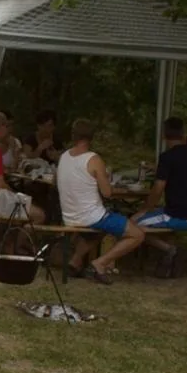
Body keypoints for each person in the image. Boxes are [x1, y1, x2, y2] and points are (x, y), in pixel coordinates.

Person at [56, 120, 146, 283]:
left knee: (98, 232)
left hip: (70, 215)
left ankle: (75, 262)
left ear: (73, 135)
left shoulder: (64, 157)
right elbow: (107, 193)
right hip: (92, 216)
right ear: (92, 138)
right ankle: (100, 263)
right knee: (137, 235)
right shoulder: (93, 159)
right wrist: (108, 180)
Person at [134, 116, 187, 278]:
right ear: (183, 133)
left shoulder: (167, 157)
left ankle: (170, 250)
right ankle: (168, 262)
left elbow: (158, 188)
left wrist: (145, 209)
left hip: (180, 215)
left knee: (131, 224)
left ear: (164, 135)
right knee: (160, 218)